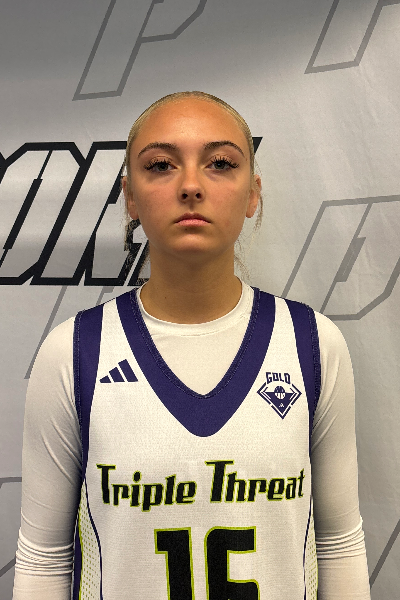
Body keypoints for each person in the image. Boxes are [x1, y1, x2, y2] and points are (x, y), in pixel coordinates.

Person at [13, 91, 371, 599]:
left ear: (253, 194)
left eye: (220, 163)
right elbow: (44, 557)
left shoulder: (311, 343)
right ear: (130, 197)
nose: (190, 186)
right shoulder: (74, 352)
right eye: (160, 165)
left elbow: (338, 543)